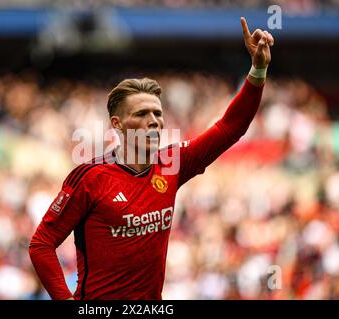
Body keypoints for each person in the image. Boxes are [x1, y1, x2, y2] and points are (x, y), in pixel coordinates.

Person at [29, 17, 274, 300]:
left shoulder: (172, 163)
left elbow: (231, 126)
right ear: (117, 124)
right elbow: (41, 244)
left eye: (157, 113)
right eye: (142, 114)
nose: (154, 121)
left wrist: (258, 68)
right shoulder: (91, 177)